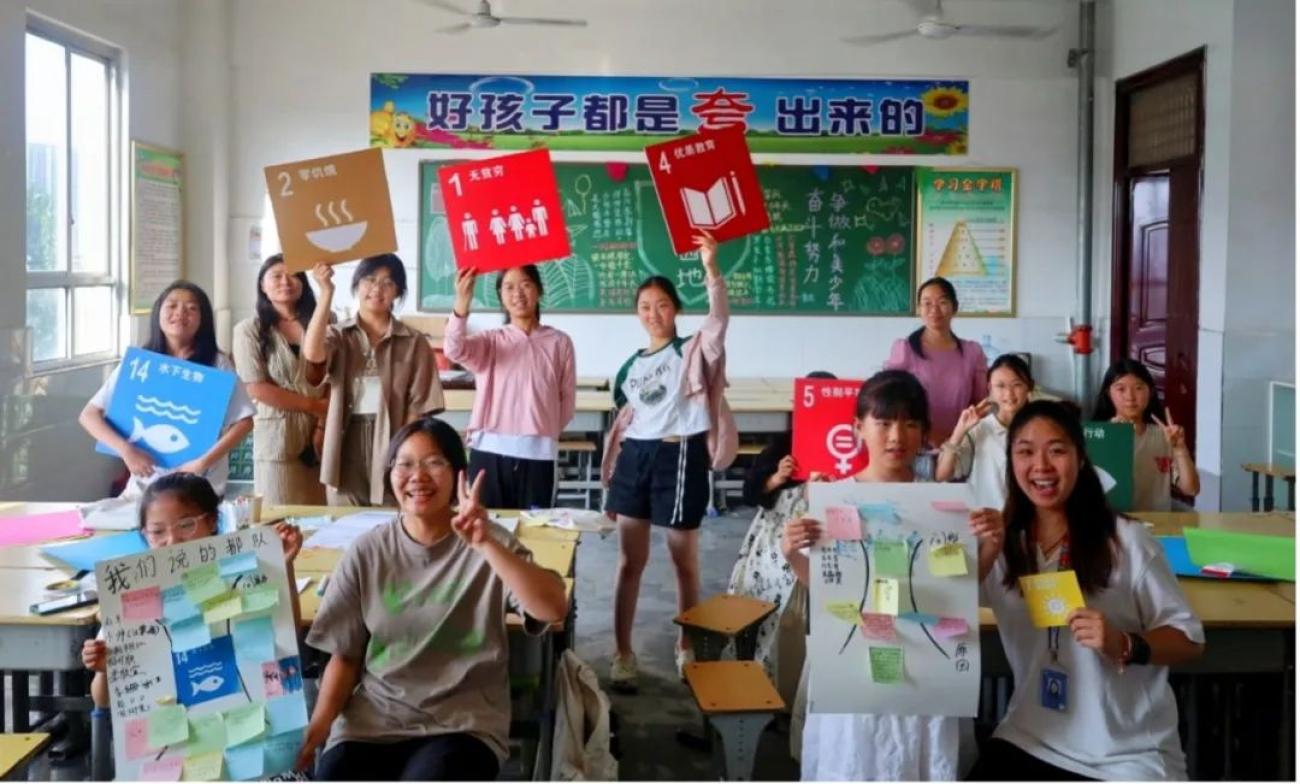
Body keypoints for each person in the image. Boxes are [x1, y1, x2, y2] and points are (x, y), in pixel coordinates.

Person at [296, 417, 567, 781]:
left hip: (461, 726)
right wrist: (318, 728)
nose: (418, 477)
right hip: (373, 722)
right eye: (405, 464)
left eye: (434, 463)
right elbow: (345, 656)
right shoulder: (367, 551)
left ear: (458, 474)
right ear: (390, 474)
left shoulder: (488, 542)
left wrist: (486, 544)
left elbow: (553, 607)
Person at [780, 370, 1002, 780]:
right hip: (855, 658)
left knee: (918, 756)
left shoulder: (941, 506)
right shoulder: (836, 497)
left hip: (922, 660)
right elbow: (827, 585)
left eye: (910, 423)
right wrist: (792, 553)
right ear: (858, 428)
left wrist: (991, 545)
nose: (897, 436)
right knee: (854, 756)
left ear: (925, 432)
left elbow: (959, 588)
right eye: (883, 423)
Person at [970, 400, 1204, 780]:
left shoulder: (1127, 541)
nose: (1041, 466)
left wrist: (1124, 644)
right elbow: (944, 609)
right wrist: (986, 553)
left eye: (1056, 451)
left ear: (1080, 459)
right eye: (1025, 452)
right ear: (1010, 463)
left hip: (1125, 754)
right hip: (1030, 735)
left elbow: (1189, 640)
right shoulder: (1003, 545)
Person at [601, 232, 738, 691]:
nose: (653, 313)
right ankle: (622, 652)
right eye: (644, 306)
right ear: (636, 313)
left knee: (684, 560)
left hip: (679, 454)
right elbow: (625, 412)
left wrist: (711, 269)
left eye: (661, 305)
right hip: (635, 457)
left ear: (676, 309)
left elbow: (718, 320)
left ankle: (686, 645)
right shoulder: (630, 366)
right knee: (629, 561)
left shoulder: (691, 350)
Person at [81, 472, 303, 709]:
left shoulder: (240, 573)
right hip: (170, 726)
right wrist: (107, 670)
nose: (172, 541)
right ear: (145, 534)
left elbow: (288, 636)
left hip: (247, 720)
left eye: (186, 525)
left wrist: (283, 568)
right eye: (158, 532)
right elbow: (101, 699)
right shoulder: (133, 593)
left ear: (212, 521)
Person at [78, 281, 255, 498]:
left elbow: (244, 422)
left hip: (201, 485)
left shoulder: (218, 364)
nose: (180, 313)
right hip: (145, 486)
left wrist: (202, 463)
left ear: (203, 319)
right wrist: (126, 450)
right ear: (158, 313)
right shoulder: (139, 364)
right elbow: (89, 415)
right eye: (172, 306)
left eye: (191, 308)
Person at [726, 371, 836, 697]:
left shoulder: (845, 444)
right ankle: (763, 682)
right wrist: (776, 478)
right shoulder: (785, 444)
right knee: (768, 608)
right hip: (775, 539)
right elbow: (750, 492)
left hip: (826, 538)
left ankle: (800, 689)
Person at [302, 256, 445, 506]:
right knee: (344, 516)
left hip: (394, 437)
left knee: (391, 512)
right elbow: (313, 354)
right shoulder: (340, 335)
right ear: (357, 284)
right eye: (369, 280)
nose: (377, 289)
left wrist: (402, 450)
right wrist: (326, 293)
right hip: (345, 437)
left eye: (388, 282)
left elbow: (418, 406)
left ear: (398, 292)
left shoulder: (414, 342)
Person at [444, 264, 576, 509]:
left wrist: (542, 428)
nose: (518, 294)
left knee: (535, 527)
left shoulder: (559, 342)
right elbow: (454, 350)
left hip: (538, 453)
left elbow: (566, 399)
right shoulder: (491, 341)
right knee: (488, 525)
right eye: (509, 287)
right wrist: (462, 303)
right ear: (501, 296)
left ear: (539, 290)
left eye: (526, 285)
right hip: (489, 450)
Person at [232, 254, 329, 505]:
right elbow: (256, 387)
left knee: (322, 515)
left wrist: (322, 423)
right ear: (262, 285)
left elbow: (333, 377)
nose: (285, 281)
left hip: (323, 436)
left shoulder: (324, 321)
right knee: (279, 514)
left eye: (293, 275)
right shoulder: (248, 330)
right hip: (277, 438)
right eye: (276, 276)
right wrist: (313, 405)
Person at [884, 276, 988, 446]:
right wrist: (928, 435)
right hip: (914, 446)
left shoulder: (972, 352)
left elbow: (980, 403)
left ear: (955, 307)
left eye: (942, 302)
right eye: (927, 303)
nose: (934, 309)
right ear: (919, 308)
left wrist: (959, 437)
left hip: (960, 444)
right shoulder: (904, 349)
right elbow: (891, 400)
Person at [1092, 359, 1199, 511]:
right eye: (1121, 389)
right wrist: (1111, 440)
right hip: (1115, 522)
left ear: (1151, 391)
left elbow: (1191, 489)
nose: (1130, 397)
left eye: (1139, 388)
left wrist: (1180, 449)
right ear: (1108, 393)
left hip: (1157, 522)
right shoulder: (1096, 436)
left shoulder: (1165, 436)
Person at [935, 353, 1035, 508]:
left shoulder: (1040, 429)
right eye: (1000, 386)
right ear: (989, 388)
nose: (1009, 393)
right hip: (985, 518)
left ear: (1029, 386)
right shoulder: (980, 429)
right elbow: (942, 475)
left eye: (1017, 384)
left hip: (1027, 518)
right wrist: (959, 431)